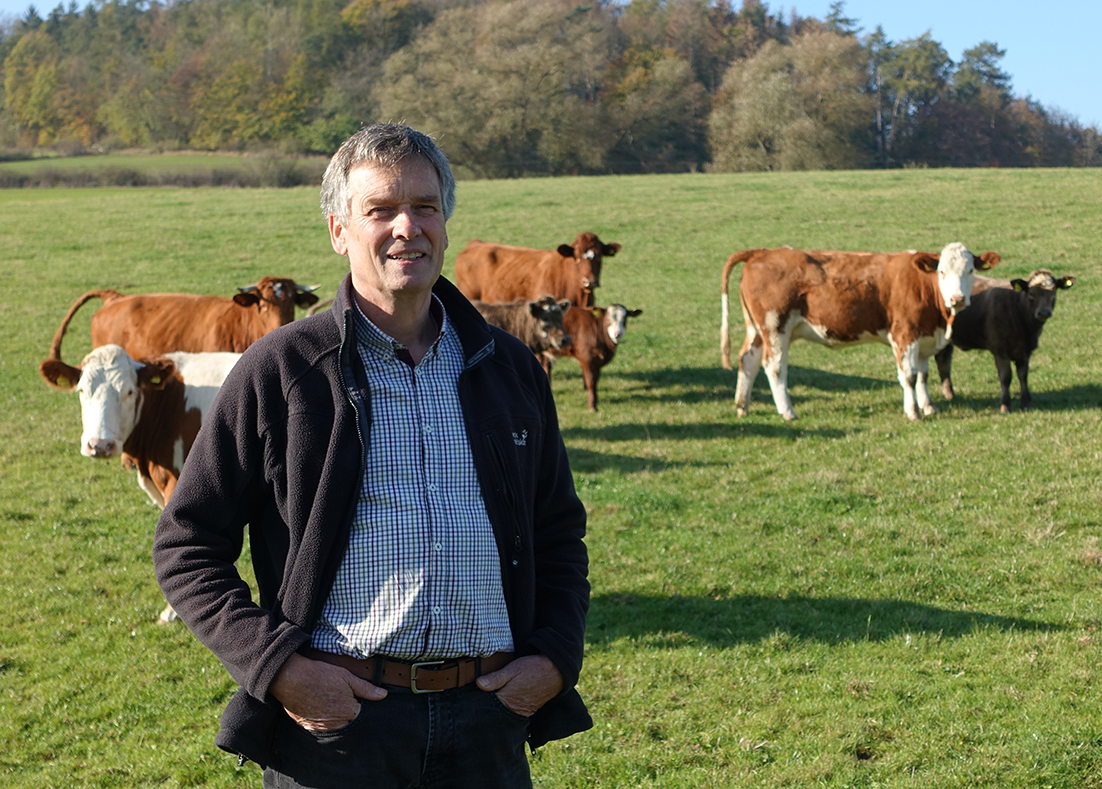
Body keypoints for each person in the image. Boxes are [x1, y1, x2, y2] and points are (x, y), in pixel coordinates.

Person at [153, 123, 591, 788]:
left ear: (445, 222)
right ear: (338, 229)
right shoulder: (282, 370)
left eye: (424, 207)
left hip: (488, 719)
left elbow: (559, 530)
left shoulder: (509, 368)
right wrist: (281, 669)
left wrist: (554, 660)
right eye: (380, 209)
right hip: (337, 725)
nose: (406, 228)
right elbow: (186, 545)